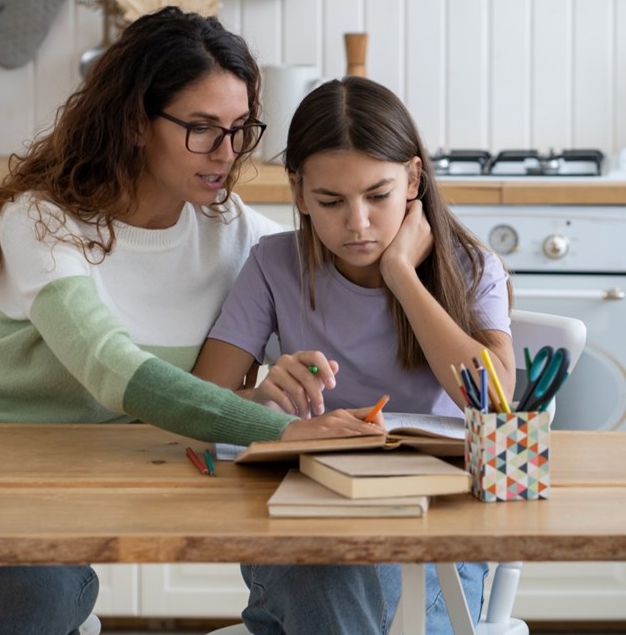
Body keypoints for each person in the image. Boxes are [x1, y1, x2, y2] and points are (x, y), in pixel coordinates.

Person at [0, 9, 378, 635]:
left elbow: (359, 264)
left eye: (240, 129)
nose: (227, 153)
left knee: (8, 607)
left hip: (63, 504)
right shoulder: (43, 218)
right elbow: (111, 370)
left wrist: (403, 259)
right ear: (136, 123)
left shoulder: (236, 235)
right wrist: (274, 427)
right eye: (202, 128)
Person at [193, 76, 516, 634]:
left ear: (413, 179)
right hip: (308, 523)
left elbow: (495, 401)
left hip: (433, 536)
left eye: (378, 195)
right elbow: (198, 409)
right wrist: (261, 398)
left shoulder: (470, 267)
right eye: (330, 201)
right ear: (298, 193)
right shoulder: (274, 265)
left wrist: (401, 276)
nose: (358, 223)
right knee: (328, 575)